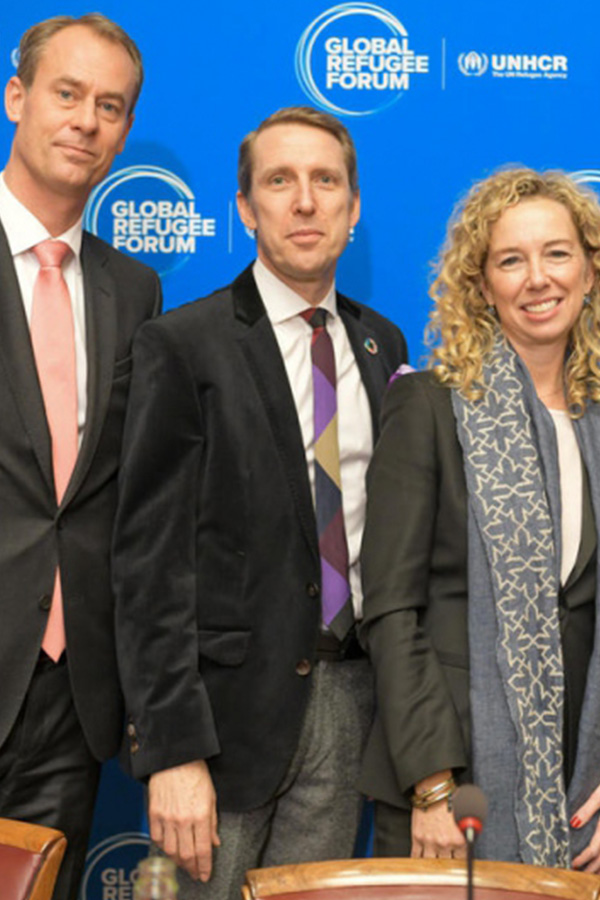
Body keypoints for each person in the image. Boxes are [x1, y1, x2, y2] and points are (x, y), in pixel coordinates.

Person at [112, 106, 407, 900]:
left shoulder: (383, 345)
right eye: (280, 181)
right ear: (245, 207)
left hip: (349, 706)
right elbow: (149, 564)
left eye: (326, 181)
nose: (304, 201)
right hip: (220, 727)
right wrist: (172, 753)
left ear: (352, 206)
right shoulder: (184, 345)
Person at [357, 167, 600, 886]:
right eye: (510, 260)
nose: (537, 279)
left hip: (590, 784)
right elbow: (392, 611)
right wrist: (431, 783)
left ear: (590, 270)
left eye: (556, 253)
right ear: (481, 283)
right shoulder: (429, 407)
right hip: (453, 784)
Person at [0, 15, 160, 900]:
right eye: (67, 94)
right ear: (17, 97)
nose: (87, 121)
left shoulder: (132, 289)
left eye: (111, 106)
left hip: (71, 689)